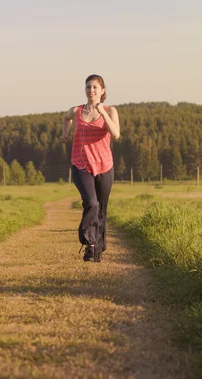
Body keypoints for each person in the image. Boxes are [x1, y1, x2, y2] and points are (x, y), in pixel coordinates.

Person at [60, 74, 120, 262]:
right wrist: (65, 133)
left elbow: (116, 134)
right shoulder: (76, 110)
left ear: (102, 90)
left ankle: (97, 249)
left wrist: (102, 112)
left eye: (95, 87)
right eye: (88, 87)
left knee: (101, 209)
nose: (91, 90)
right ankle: (89, 243)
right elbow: (65, 117)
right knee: (91, 203)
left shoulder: (110, 111)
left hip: (104, 165)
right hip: (81, 164)